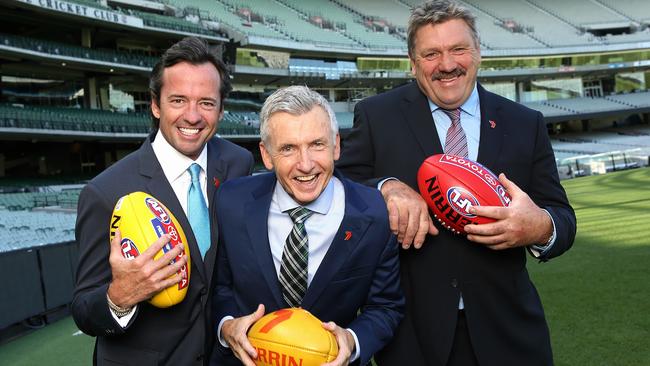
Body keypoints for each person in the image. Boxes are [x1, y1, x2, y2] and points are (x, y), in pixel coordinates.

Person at [336, 1, 577, 365]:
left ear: (478, 52)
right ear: (413, 63)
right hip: (412, 337)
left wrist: (539, 227)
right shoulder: (377, 116)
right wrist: (386, 186)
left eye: (458, 49)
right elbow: (339, 185)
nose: (447, 65)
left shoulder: (525, 122)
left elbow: (562, 217)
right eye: (431, 54)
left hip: (509, 334)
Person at [72, 36, 253, 365]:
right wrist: (118, 298)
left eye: (207, 103)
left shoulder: (238, 163)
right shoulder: (106, 192)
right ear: (156, 105)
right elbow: (84, 309)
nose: (193, 116)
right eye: (179, 100)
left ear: (221, 110)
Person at [210, 86, 404, 366]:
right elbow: (220, 288)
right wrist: (227, 327)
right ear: (266, 155)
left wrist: (351, 340)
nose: (305, 164)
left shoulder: (374, 212)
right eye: (288, 148)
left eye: (317, 144)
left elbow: (386, 307)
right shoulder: (232, 201)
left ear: (336, 145)